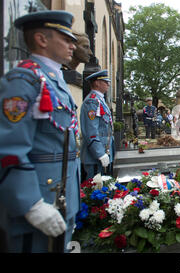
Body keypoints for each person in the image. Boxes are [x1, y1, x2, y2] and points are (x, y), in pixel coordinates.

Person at [0, 10, 80, 252]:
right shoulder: (24, 80)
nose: (72, 46)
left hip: (61, 195)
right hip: (38, 199)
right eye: (65, 39)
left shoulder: (53, 79)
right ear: (42, 39)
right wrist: (30, 204)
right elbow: (9, 148)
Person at [80, 70, 114, 179]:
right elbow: (91, 131)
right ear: (96, 83)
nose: (108, 84)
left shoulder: (100, 100)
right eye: (105, 82)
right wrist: (99, 153)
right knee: (95, 188)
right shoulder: (92, 101)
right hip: (95, 156)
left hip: (104, 150)